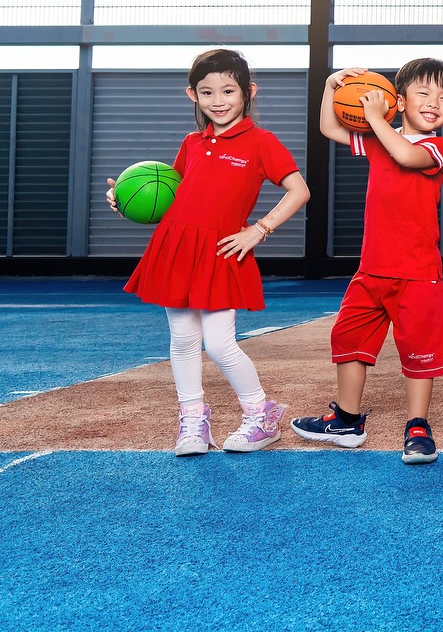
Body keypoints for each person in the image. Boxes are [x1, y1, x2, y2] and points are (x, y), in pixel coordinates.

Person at [109, 48, 310, 457]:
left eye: (228, 91)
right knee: (182, 340)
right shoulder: (191, 143)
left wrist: (259, 229)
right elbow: (170, 195)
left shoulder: (261, 142)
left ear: (248, 92)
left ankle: (261, 415)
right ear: (192, 96)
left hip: (220, 252)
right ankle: (193, 421)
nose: (218, 101)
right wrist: (125, 198)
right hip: (176, 249)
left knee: (219, 344)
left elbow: (299, 191)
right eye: (207, 92)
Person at [291, 58, 443, 465]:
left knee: (419, 353)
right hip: (370, 270)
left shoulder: (437, 146)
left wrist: (374, 118)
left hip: (418, 274)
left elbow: (405, 155)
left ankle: (417, 426)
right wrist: (332, 85)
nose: (434, 102)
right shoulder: (379, 137)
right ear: (399, 101)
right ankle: (347, 420)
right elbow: (329, 127)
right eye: (424, 93)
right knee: (347, 340)